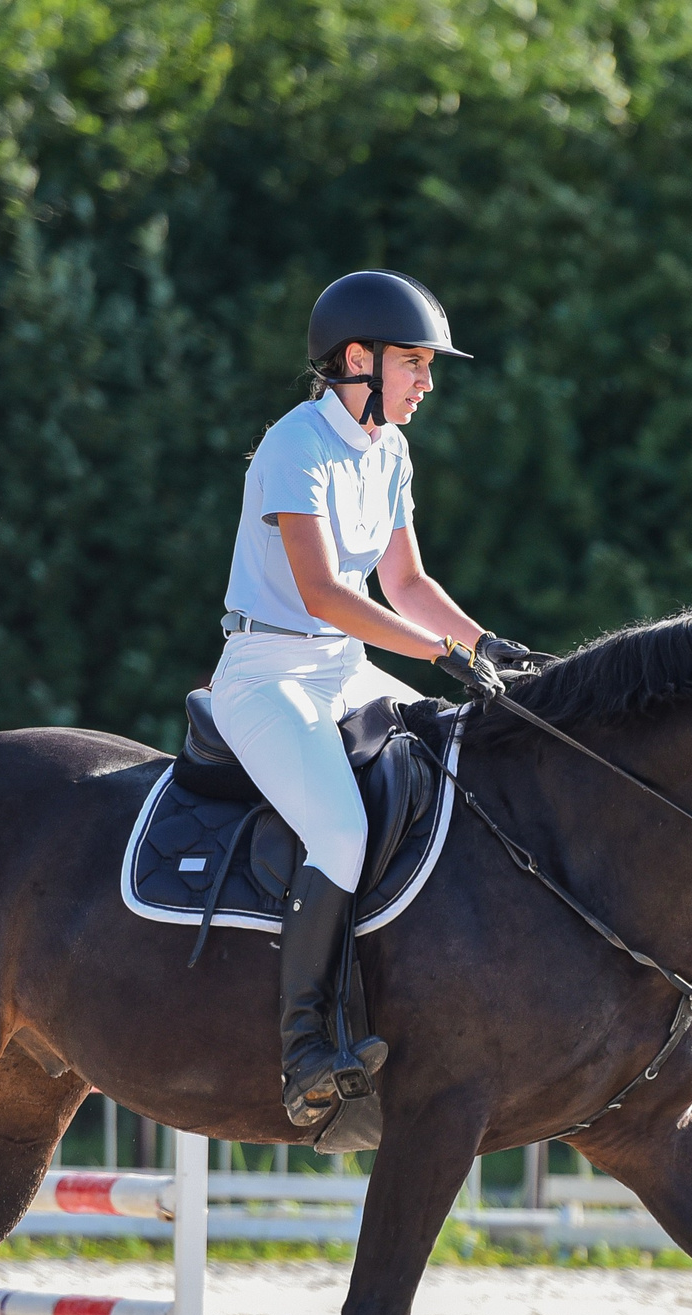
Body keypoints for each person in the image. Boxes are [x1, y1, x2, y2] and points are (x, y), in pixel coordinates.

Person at [214, 269, 540, 1128]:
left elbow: (406, 582)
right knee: (341, 829)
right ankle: (304, 1050)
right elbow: (324, 593)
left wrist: (482, 643)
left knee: (456, 755)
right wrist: (439, 652)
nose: (427, 383)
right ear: (358, 360)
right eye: (415, 364)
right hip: (267, 672)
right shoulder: (295, 445)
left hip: (342, 666)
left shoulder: (387, 449)